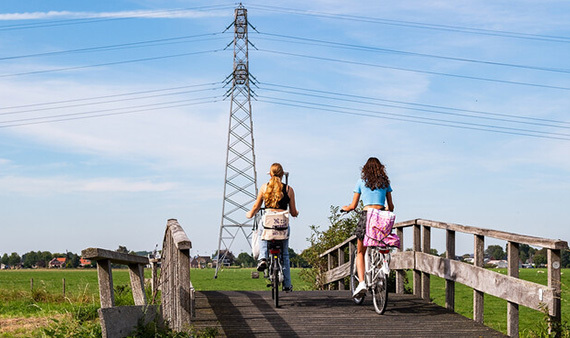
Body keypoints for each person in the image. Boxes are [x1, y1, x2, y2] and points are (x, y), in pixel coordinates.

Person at [342, 157, 394, 298]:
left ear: (365, 169)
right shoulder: (385, 183)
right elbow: (391, 206)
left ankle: (362, 283)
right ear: (380, 169)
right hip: (381, 216)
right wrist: (385, 210)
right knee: (383, 243)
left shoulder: (361, 182)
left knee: (360, 252)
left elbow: (353, 206)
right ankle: (384, 263)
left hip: (367, 216)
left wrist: (346, 208)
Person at [246, 163, 299, 292]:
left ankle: (263, 258)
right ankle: (287, 284)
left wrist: (250, 214)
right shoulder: (288, 190)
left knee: (261, 233)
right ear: (282, 174)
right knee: (285, 254)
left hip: (268, 223)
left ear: (270, 174)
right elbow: (293, 211)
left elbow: (256, 207)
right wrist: (296, 213)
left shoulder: (265, 188)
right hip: (282, 225)